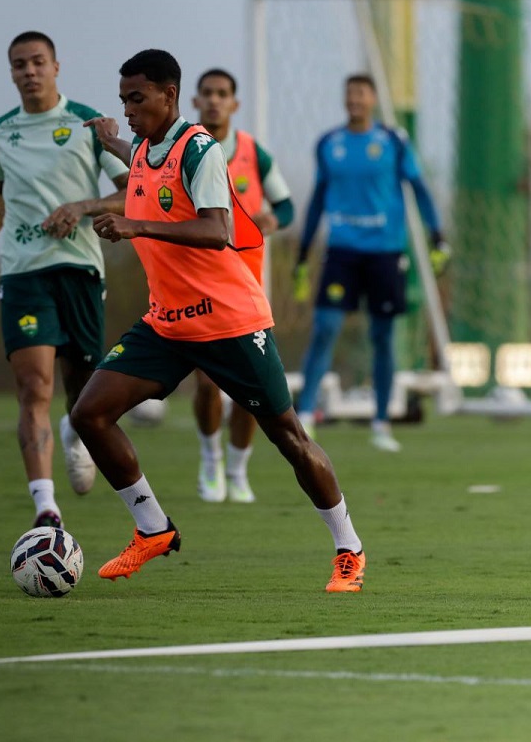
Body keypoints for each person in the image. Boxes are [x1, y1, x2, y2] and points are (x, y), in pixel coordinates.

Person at [72, 49, 365, 592]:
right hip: (167, 325)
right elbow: (135, 152)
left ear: (169, 95)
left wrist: (136, 227)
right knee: (89, 414)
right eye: (124, 101)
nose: (131, 109)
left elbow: (216, 231)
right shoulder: (144, 146)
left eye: (137, 99)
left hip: (230, 322)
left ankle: (348, 549)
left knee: (290, 439)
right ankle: (153, 529)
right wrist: (110, 135)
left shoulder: (199, 149)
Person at [0, 31, 129, 530]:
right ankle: (46, 511)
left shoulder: (87, 122)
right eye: (19, 64)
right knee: (33, 384)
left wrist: (84, 206)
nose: (29, 71)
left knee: (81, 395)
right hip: (22, 272)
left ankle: (76, 432)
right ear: (11, 72)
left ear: (57, 66)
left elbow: (132, 193)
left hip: (80, 270)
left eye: (38, 62)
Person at [293, 73, 449, 453]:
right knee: (325, 326)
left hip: (385, 251)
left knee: (382, 336)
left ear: (374, 99)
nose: (355, 100)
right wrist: (302, 251)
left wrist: (436, 234)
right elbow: (317, 198)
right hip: (342, 251)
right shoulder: (329, 144)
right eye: (350, 94)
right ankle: (308, 416)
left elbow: (419, 188)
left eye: (361, 94)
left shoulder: (393, 142)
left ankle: (381, 422)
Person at [188, 68, 296, 504]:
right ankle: (210, 461)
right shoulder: (186, 150)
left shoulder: (253, 153)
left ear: (234, 103)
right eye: (207, 94)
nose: (214, 101)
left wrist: (273, 219)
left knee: (252, 387)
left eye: (222, 94)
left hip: (247, 288)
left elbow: (286, 206)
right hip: (197, 283)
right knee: (207, 384)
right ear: (195, 102)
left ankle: (237, 469)